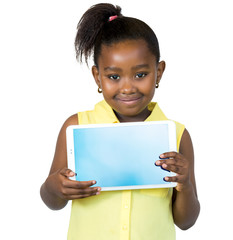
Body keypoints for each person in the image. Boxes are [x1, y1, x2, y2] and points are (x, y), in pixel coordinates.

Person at [40, 3, 200, 240]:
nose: (127, 87)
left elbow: (186, 222)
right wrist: (55, 187)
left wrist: (184, 184)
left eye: (140, 74)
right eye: (114, 76)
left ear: (159, 72)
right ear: (98, 77)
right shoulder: (77, 126)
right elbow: (53, 201)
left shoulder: (176, 134)